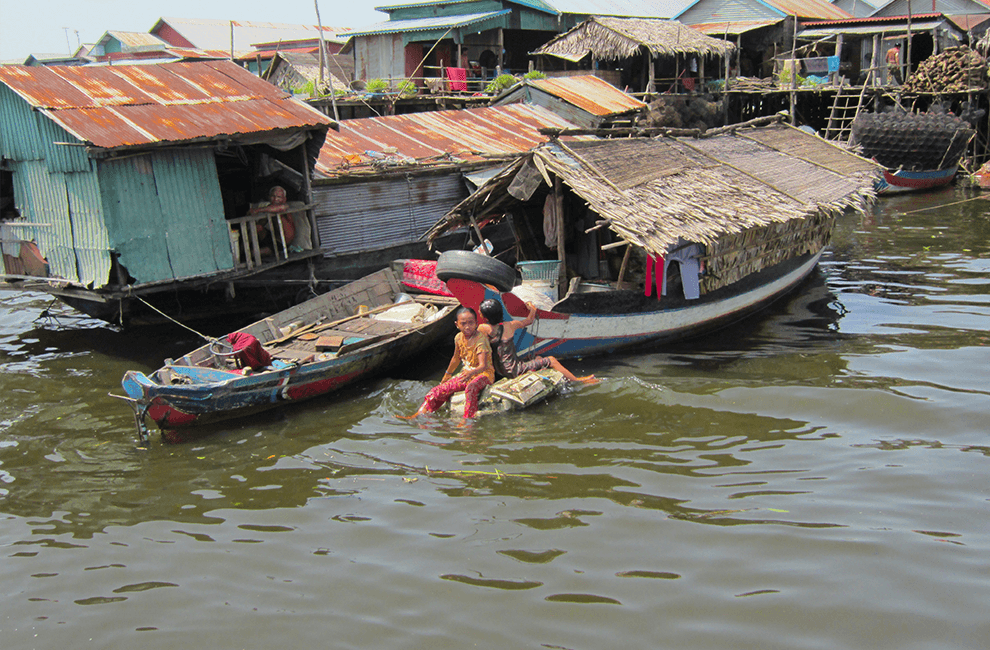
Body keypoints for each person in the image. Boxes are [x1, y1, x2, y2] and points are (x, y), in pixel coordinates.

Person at [478, 299, 596, 384]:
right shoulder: (510, 325)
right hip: (513, 370)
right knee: (551, 360)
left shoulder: (482, 329)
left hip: (500, 370)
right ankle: (578, 380)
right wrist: (532, 309)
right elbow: (529, 321)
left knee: (538, 358)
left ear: (485, 317)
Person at [407, 306, 495, 419]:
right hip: (467, 375)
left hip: (484, 375)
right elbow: (456, 358)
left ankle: (468, 419)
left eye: (471, 323)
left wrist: (470, 373)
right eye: (463, 323)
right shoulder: (458, 337)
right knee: (437, 390)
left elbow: (483, 366)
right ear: (457, 325)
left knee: (471, 388)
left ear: (476, 323)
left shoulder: (480, 340)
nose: (467, 326)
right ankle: (420, 414)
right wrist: (447, 374)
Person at [249, 185, 296, 256]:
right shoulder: (268, 208)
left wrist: (257, 210)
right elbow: (261, 223)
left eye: (279, 197)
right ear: (269, 197)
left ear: (284, 199)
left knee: (254, 253)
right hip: (272, 239)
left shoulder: (285, 206)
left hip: (282, 244)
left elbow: (279, 208)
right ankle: (242, 249)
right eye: (273, 196)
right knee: (257, 227)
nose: (275, 199)